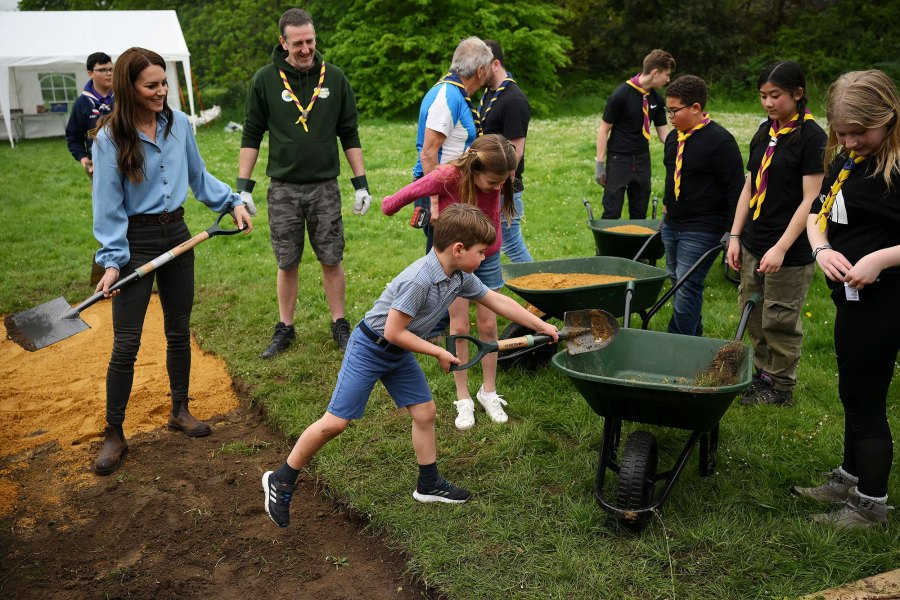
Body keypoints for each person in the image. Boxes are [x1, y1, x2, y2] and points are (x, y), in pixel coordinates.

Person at [261, 203, 558, 527]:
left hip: (397, 351)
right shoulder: (420, 280)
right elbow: (392, 330)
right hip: (370, 348)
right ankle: (282, 478)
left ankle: (428, 484)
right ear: (458, 249)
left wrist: (541, 325)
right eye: (481, 251)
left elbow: (495, 300)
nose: (484, 257)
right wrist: (437, 352)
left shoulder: (459, 276)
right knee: (335, 423)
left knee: (425, 412)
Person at [90, 47, 253, 476]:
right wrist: (111, 262)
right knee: (127, 342)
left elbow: (199, 177)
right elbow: (107, 207)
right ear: (130, 88)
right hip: (135, 241)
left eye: (164, 83)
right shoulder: (110, 139)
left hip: (178, 235)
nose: (162, 92)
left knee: (178, 329)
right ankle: (114, 432)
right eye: (151, 86)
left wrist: (232, 201)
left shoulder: (179, 125)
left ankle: (179, 409)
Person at [795, 70, 900, 528]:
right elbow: (817, 214)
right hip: (851, 300)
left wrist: (880, 259)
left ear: (890, 118)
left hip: (888, 301)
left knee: (866, 398)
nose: (850, 140)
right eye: (842, 132)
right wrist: (822, 248)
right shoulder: (848, 159)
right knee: (854, 390)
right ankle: (850, 475)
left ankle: (871, 504)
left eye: (860, 132)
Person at [239, 8, 372, 358]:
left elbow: (350, 133)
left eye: (310, 41)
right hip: (282, 188)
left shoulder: (336, 78)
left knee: (332, 257)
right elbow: (252, 134)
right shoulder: (265, 80)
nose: (305, 49)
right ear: (283, 42)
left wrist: (361, 184)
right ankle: (285, 327)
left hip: (324, 186)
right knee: (287, 261)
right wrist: (243, 186)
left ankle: (339, 323)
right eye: (297, 43)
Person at [383, 134, 517, 430]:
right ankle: (463, 397)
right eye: (493, 183)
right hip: (455, 262)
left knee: (488, 324)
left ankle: (489, 391)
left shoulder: (499, 172)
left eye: (501, 183)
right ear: (476, 169)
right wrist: (393, 206)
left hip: (488, 255)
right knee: (459, 326)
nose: (498, 188)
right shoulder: (448, 176)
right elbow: (401, 196)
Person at [727, 61, 827, 407]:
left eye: (776, 96)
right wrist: (736, 236)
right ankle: (760, 375)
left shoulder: (812, 137)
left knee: (780, 319)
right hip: (754, 241)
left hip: (790, 249)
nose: (768, 103)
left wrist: (782, 247)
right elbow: (749, 185)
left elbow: (811, 200)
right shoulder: (764, 130)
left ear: (798, 94)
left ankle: (780, 387)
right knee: (753, 313)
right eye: (763, 96)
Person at [660, 75, 743, 336]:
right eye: (667, 110)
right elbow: (670, 176)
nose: (670, 116)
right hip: (672, 224)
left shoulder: (720, 142)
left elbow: (736, 189)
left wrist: (732, 232)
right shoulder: (674, 138)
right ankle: (693, 337)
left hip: (703, 227)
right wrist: (666, 209)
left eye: (674, 110)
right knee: (676, 281)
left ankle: (677, 341)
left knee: (687, 284)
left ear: (695, 108)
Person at [411, 36, 493, 252]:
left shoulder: (454, 93)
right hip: (441, 192)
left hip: (449, 190)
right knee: (443, 265)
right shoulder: (448, 96)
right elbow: (428, 153)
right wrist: (436, 204)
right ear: (481, 71)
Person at [595, 50, 674, 219]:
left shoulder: (657, 100)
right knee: (612, 211)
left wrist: (681, 147)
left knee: (639, 212)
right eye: (666, 75)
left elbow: (663, 133)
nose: (668, 80)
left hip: (642, 159)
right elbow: (603, 129)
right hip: (619, 159)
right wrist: (600, 164)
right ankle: (607, 245)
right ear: (655, 73)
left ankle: (636, 246)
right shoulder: (621, 94)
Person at [480, 39, 533, 263]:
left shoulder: (514, 99)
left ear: (495, 64)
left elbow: (515, 150)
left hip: (505, 186)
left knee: (511, 245)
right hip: (492, 183)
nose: (478, 70)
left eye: (482, 64)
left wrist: (500, 186)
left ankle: (539, 293)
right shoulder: (490, 93)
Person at [66, 51, 114, 179]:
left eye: (110, 69)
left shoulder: (122, 98)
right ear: (90, 73)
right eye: (103, 70)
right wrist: (85, 161)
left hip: (127, 164)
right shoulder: (82, 103)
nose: (109, 73)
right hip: (99, 168)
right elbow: (73, 137)